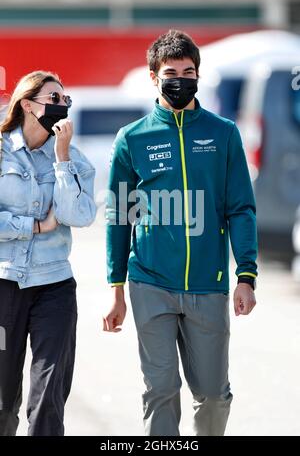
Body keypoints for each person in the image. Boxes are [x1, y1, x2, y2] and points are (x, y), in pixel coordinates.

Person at [104, 30, 257, 436]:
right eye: (171, 72)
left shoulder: (223, 133)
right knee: (161, 389)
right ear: (154, 77)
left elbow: (241, 207)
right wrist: (116, 289)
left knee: (212, 394)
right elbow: (120, 216)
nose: (181, 79)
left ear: (198, 75)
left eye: (189, 72)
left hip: (209, 283)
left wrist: (246, 275)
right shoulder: (132, 139)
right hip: (149, 282)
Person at [0, 70, 97, 436]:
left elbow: (79, 216)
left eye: (65, 100)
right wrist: (34, 226)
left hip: (54, 288)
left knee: (48, 398)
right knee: (1, 400)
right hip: (4, 284)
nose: (62, 106)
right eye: (53, 99)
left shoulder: (74, 159)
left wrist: (61, 159)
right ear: (27, 104)